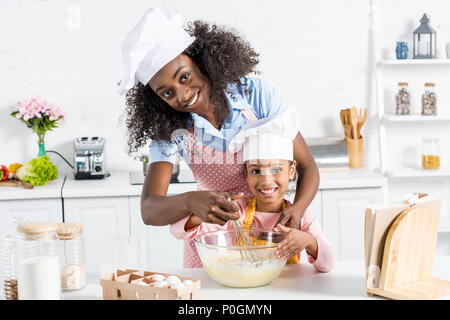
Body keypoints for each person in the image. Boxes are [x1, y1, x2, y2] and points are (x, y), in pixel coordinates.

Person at [119, 8, 320, 267]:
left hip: (268, 239)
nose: (182, 95)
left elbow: (307, 165)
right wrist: (191, 200)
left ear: (200, 61)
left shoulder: (255, 96)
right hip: (212, 246)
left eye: (185, 77)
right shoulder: (169, 129)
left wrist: (298, 209)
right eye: (167, 93)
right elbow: (149, 209)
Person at [170, 108, 335, 271]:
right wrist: (203, 213)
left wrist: (308, 241)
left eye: (276, 169)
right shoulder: (237, 211)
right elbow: (178, 231)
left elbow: (328, 264)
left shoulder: (302, 216)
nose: (266, 180)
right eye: (256, 171)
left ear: (291, 171)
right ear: (246, 173)